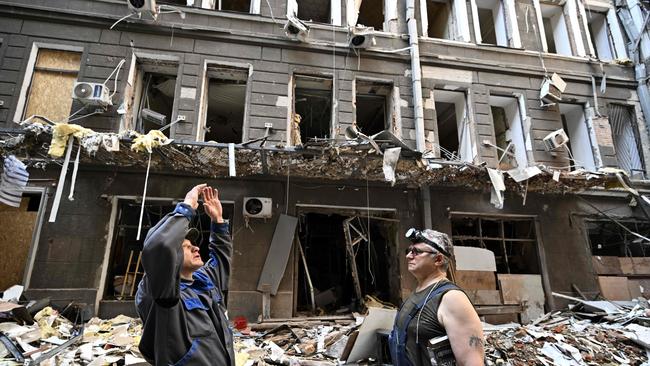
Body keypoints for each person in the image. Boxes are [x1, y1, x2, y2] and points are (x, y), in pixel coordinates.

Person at [136, 184, 235, 366]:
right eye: (186, 247)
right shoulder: (162, 292)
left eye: (193, 245)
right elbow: (158, 247)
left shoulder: (202, 280)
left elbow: (221, 260)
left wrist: (218, 220)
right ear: (171, 257)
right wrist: (187, 208)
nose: (196, 247)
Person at [390, 228, 484, 366]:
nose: (409, 256)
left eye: (417, 252)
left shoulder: (452, 299)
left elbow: (471, 362)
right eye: (409, 251)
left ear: (438, 259)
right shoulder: (418, 293)